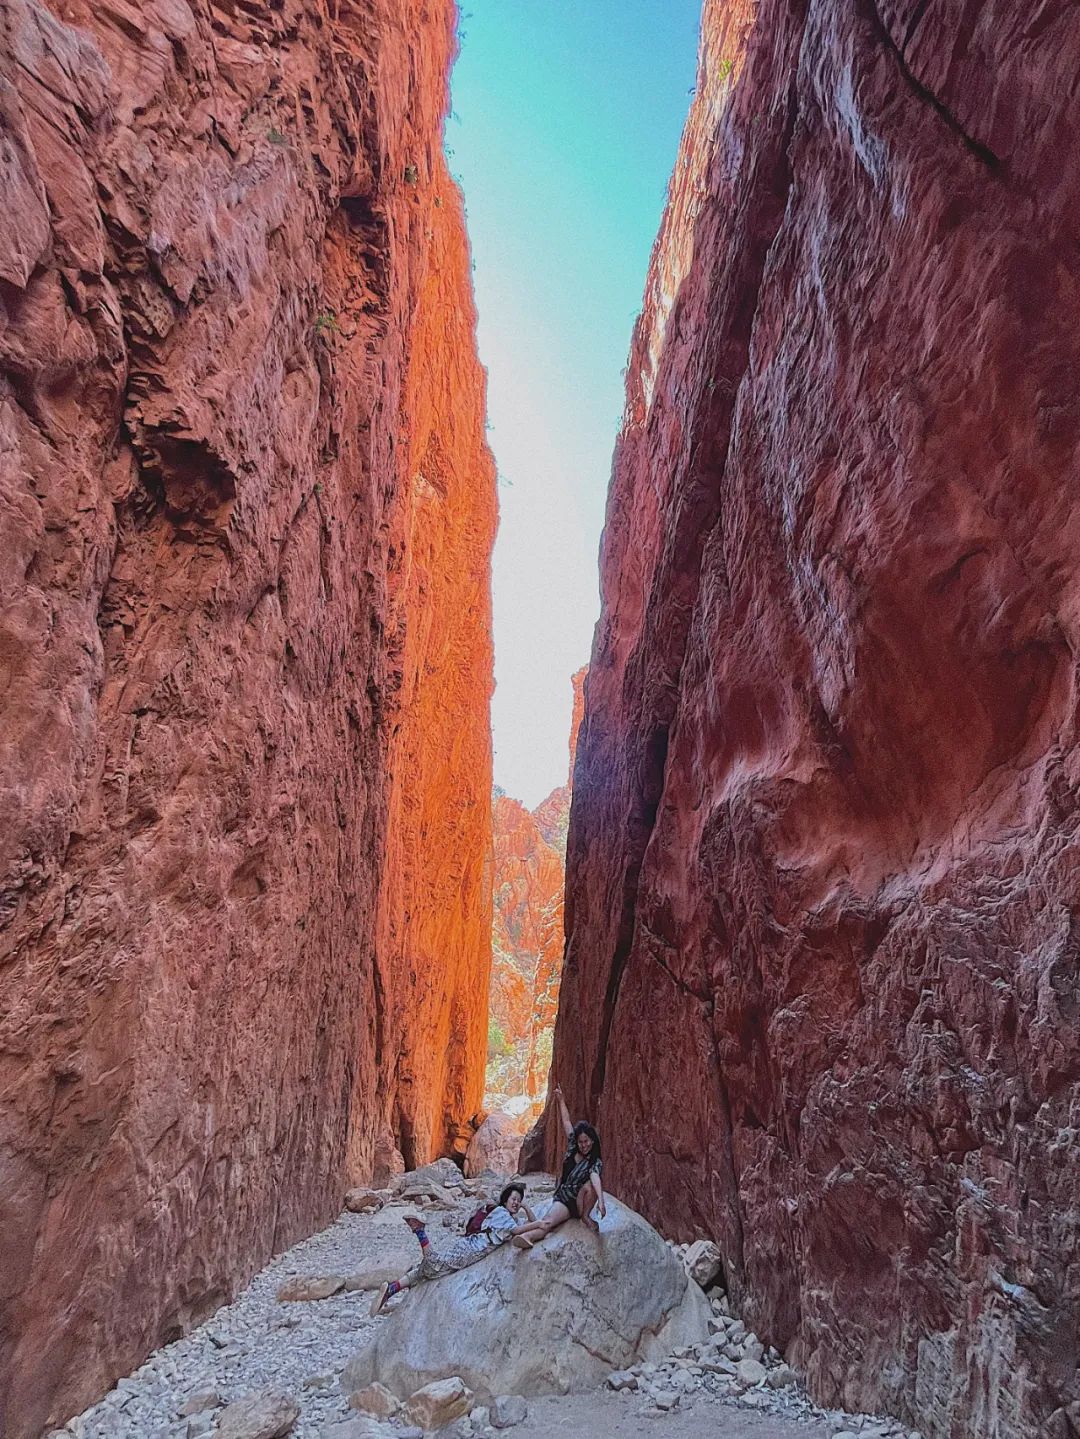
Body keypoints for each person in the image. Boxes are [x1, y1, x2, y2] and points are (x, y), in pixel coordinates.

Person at [370, 1182, 531, 1314]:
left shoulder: (508, 1218)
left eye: (519, 1200)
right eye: (514, 1199)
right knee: (435, 1266)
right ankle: (420, 1231)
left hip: (468, 1245)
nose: (516, 1203)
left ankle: (391, 1289)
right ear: (505, 1200)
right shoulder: (502, 1213)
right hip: (473, 1249)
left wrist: (526, 1207)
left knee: (424, 1271)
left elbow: (527, 1225)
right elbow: (520, 1229)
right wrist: (543, 1224)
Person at [510, 1084, 606, 1248]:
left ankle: (586, 1217)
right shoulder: (572, 1147)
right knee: (548, 1223)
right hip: (564, 1199)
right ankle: (527, 1236)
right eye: (581, 1142)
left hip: (580, 1202)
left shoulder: (594, 1161)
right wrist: (561, 1100)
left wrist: (601, 1201)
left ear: (592, 1141)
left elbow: (595, 1177)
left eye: (586, 1141)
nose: (583, 1145)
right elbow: (566, 1121)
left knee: (591, 1186)